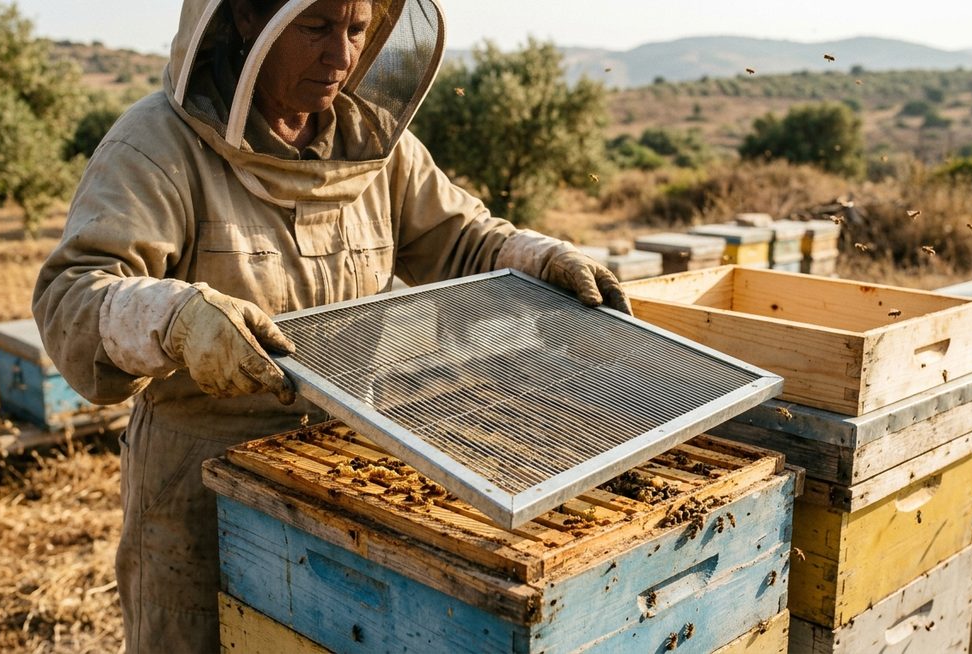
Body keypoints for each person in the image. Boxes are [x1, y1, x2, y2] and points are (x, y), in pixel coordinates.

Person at [33, 0, 630, 650]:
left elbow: (457, 235)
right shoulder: (156, 146)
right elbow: (74, 295)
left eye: (354, 29)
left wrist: (534, 256)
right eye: (317, 27)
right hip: (199, 477)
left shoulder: (373, 143)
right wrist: (173, 317)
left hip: (344, 462)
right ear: (245, 21)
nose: (341, 56)